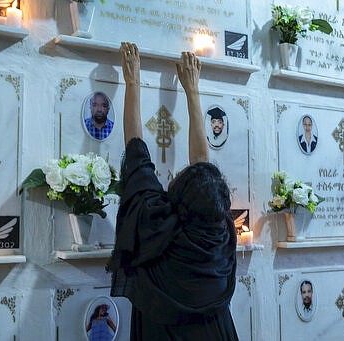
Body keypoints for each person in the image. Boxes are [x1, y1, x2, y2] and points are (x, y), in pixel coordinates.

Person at [107, 42, 238, 340]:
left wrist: (133, 82)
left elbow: (136, 150)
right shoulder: (218, 234)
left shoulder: (157, 225)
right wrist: (193, 91)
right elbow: (202, 165)